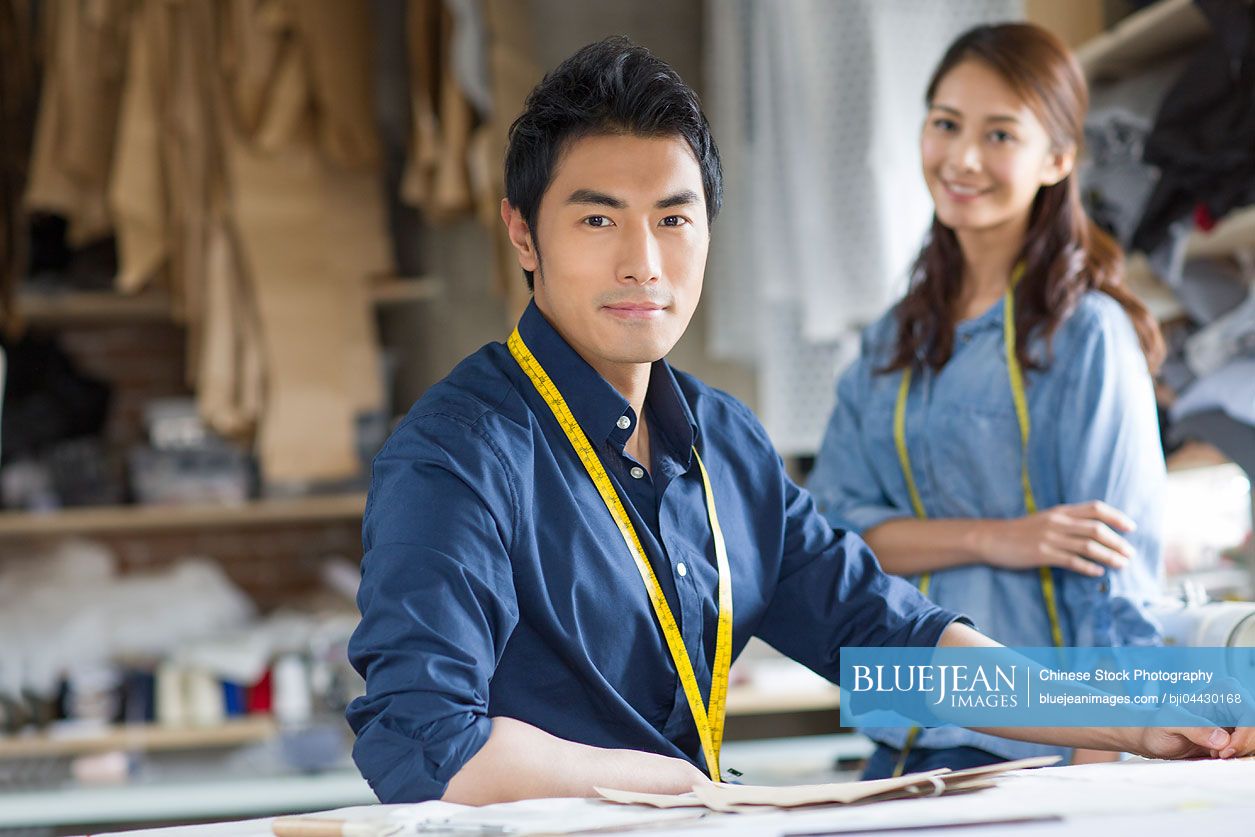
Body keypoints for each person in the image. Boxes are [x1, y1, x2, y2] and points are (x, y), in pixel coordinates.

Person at [346, 35, 1247, 806]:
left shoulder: (723, 442)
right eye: (596, 219)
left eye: (673, 217)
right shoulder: (456, 454)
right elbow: (422, 744)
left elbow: (887, 638)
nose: (643, 261)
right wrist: (690, 790)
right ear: (522, 233)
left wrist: (1127, 713)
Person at [808, 23, 1170, 779]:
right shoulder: (884, 345)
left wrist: (1102, 750)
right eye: (944, 124)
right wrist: (996, 536)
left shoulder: (1088, 337)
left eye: (999, 133)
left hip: (1043, 749)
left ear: (1058, 158)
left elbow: (1113, 576)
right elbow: (834, 541)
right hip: (900, 743)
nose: (962, 158)